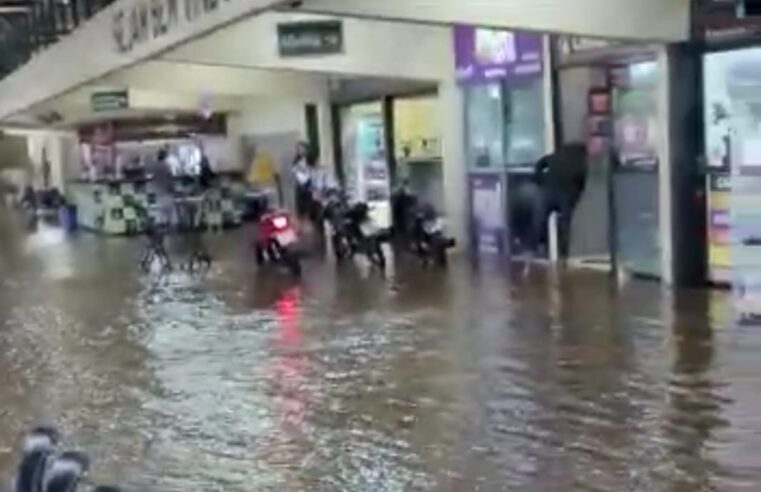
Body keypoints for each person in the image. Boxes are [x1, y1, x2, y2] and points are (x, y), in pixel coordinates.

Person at [528, 142, 588, 263]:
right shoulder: (580, 160)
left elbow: (539, 164)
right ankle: (563, 253)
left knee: (540, 221)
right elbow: (581, 178)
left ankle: (537, 247)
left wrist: (540, 180)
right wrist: (577, 192)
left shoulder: (556, 156)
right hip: (566, 194)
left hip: (548, 191)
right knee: (565, 223)